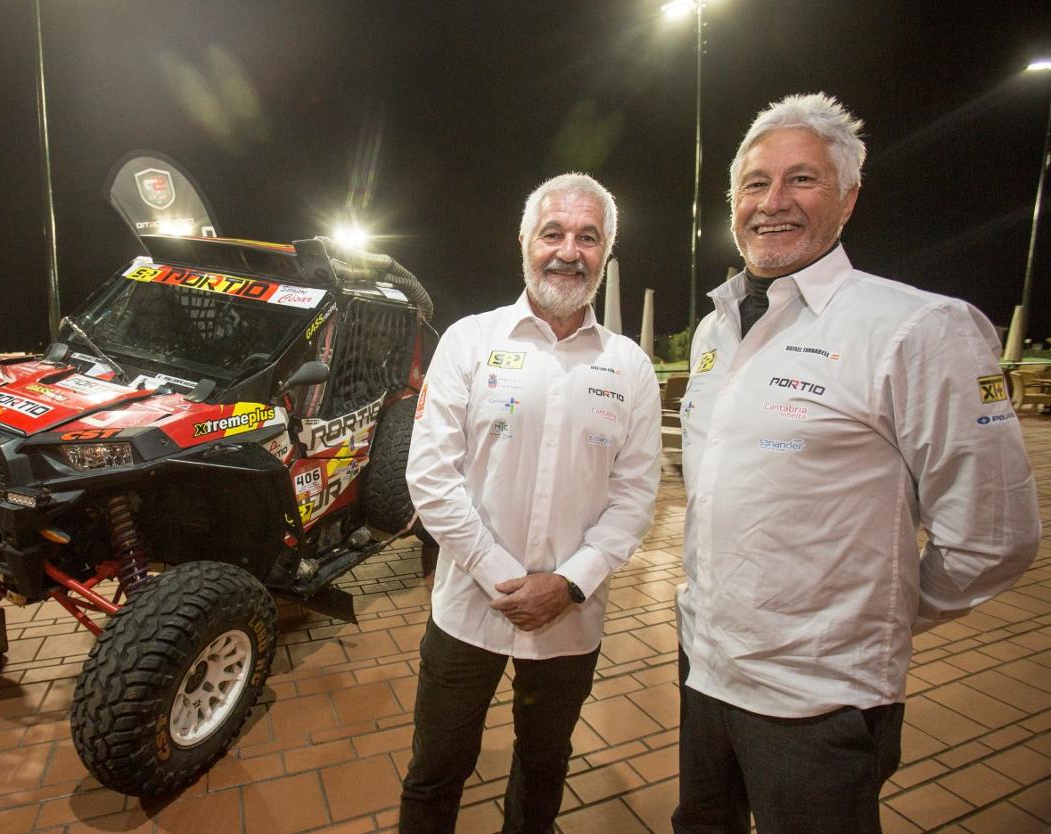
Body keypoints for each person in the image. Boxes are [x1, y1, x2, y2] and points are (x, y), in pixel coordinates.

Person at [673, 92, 1042, 834]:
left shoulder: (918, 328)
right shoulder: (718, 328)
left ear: (848, 197)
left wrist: (872, 621)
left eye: (801, 180)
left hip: (819, 700)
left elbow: (995, 535)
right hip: (703, 666)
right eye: (755, 183)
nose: (773, 202)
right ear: (733, 199)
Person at [399, 172, 662, 834]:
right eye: (553, 233)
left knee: (545, 768)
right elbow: (431, 475)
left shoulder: (629, 367)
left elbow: (636, 495)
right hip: (468, 610)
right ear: (524, 241)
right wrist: (500, 574)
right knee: (436, 772)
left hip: (570, 621)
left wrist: (569, 585)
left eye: (588, 237)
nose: (568, 251)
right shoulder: (470, 341)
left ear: (605, 252)